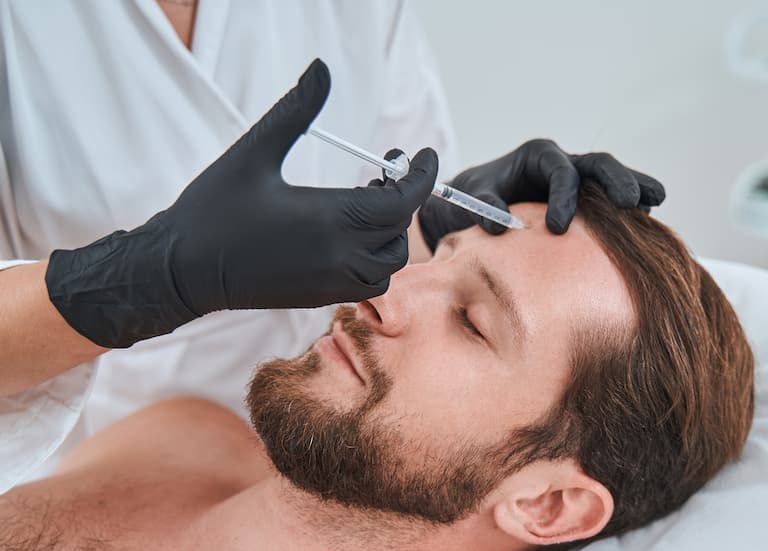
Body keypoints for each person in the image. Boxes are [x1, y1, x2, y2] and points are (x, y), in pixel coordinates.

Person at [0, 184, 755, 551]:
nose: (384, 289)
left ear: (547, 504)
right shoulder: (178, 434)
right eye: (439, 257)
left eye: (470, 321)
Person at [0, 1, 664, 469]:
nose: (379, 300)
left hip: (312, 441)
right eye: (470, 318)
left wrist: (439, 230)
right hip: (73, 442)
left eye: (473, 319)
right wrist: (146, 277)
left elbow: (392, 194)